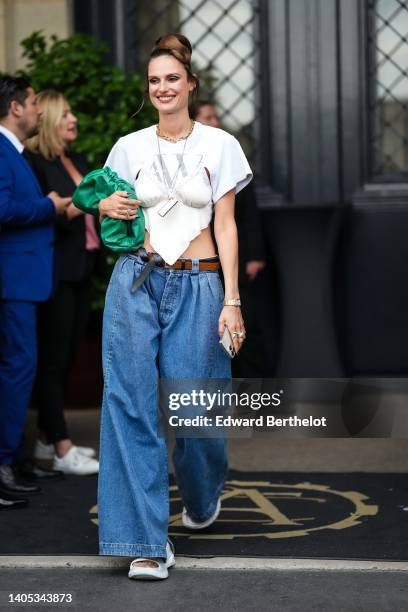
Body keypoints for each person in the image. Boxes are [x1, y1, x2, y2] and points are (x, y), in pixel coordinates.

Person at [90, 33, 252, 579]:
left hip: (201, 285)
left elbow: (226, 225)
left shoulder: (220, 144)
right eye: (154, 80)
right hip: (135, 281)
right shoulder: (128, 147)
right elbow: (109, 213)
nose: (162, 88)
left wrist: (232, 300)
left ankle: (203, 494)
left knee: (196, 411)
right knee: (130, 406)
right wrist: (105, 206)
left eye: (172, 79)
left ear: (191, 84)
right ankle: (146, 544)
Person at [0, 77, 70, 509]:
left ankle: (16, 458)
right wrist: (50, 206)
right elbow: (2, 210)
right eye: (32, 103)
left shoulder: (15, 152)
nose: (39, 110)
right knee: (17, 368)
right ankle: (4, 462)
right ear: (14, 108)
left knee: (21, 368)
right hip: (13, 282)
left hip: (24, 280)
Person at [25, 91, 100, 476]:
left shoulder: (75, 160)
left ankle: (44, 441)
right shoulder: (34, 163)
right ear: (50, 119)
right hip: (55, 271)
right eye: (66, 113)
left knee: (68, 356)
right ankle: (61, 445)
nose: (73, 119)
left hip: (82, 268)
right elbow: (44, 214)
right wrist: (86, 203)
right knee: (54, 361)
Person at [192, 100, 271, 376]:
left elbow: (248, 212)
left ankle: (255, 395)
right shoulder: (188, 160)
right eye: (209, 117)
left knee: (245, 327)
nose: (215, 121)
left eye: (216, 116)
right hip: (202, 260)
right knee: (212, 332)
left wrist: (255, 254)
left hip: (235, 257)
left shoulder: (228, 152)